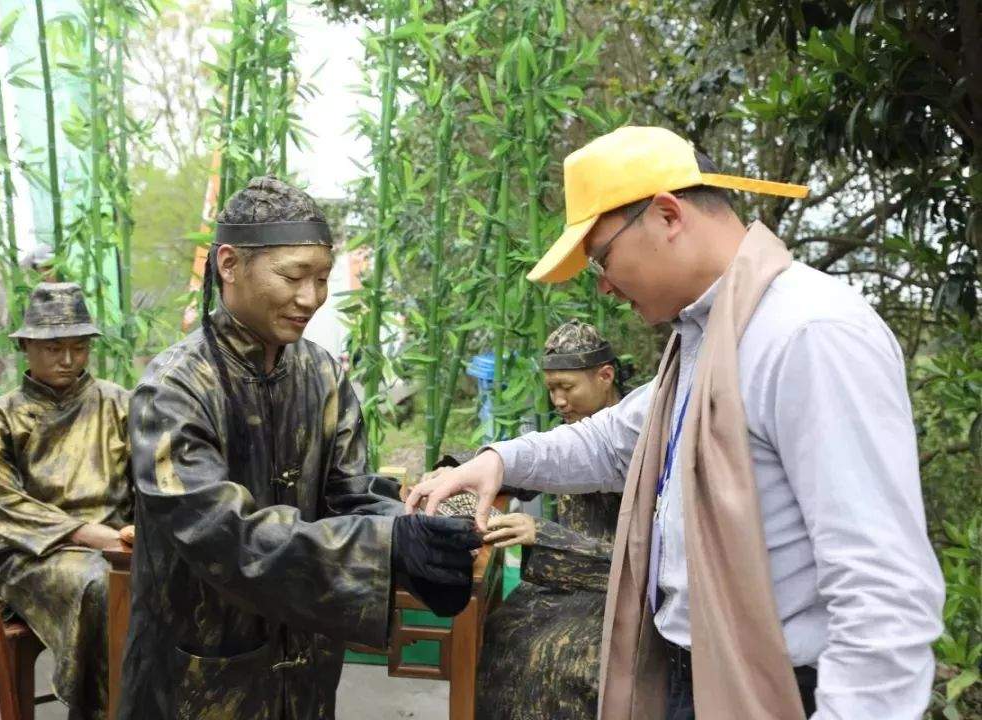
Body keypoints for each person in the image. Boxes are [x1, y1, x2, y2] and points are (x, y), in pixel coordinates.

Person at [407, 126, 945, 720]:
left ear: (667, 215)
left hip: (783, 689)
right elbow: (613, 442)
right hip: (695, 673)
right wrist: (497, 462)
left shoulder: (808, 334)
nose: (605, 285)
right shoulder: (703, 340)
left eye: (603, 258)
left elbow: (883, 592)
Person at [118, 176, 481, 719]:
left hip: (306, 665)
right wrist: (387, 547)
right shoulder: (174, 389)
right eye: (293, 276)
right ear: (230, 265)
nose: (310, 298)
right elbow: (221, 533)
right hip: (201, 677)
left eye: (322, 278)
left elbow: (349, 493)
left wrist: (416, 537)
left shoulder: (319, 374)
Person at [0, 282, 133, 720]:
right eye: (54, 348)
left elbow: (155, 482)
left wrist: (139, 531)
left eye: (79, 348)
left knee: (180, 575)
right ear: (25, 345)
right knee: (101, 584)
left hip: (120, 544)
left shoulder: (121, 405)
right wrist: (83, 533)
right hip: (28, 553)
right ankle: (100, 709)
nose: (67, 360)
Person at [473, 319, 631, 720]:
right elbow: (528, 467)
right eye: (551, 390)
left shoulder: (637, 438)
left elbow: (642, 559)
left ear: (605, 375)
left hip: (615, 587)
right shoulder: (571, 433)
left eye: (567, 387)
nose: (558, 401)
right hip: (560, 578)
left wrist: (542, 535)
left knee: (559, 658)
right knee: (501, 629)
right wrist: (462, 470)